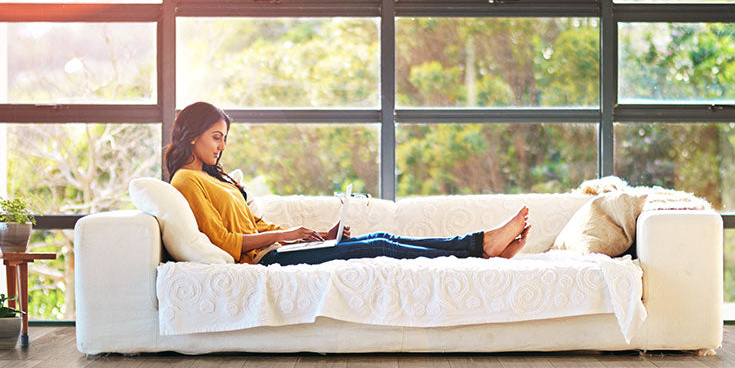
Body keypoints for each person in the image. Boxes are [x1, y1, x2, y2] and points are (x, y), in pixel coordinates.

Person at [165, 101, 531, 266]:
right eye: (216, 137)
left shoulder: (212, 178)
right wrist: (289, 235)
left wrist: (319, 235)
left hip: (277, 250)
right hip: (268, 260)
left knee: (381, 240)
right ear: (192, 135)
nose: (222, 146)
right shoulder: (186, 182)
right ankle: (480, 247)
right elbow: (226, 244)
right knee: (381, 247)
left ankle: (480, 247)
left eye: (224, 138)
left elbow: (254, 226)